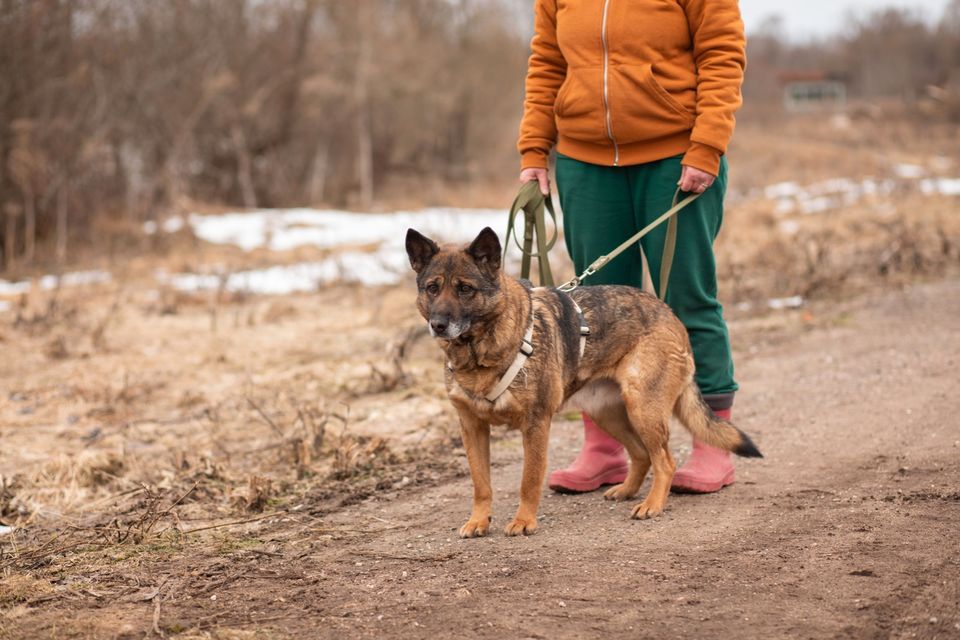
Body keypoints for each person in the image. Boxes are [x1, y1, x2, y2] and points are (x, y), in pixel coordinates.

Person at [517, 0, 746, 494]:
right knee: (595, 313)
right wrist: (534, 147)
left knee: (686, 300)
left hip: (675, 155)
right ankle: (604, 449)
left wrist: (707, 145)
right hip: (584, 161)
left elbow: (722, 54)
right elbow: (547, 62)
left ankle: (711, 446)